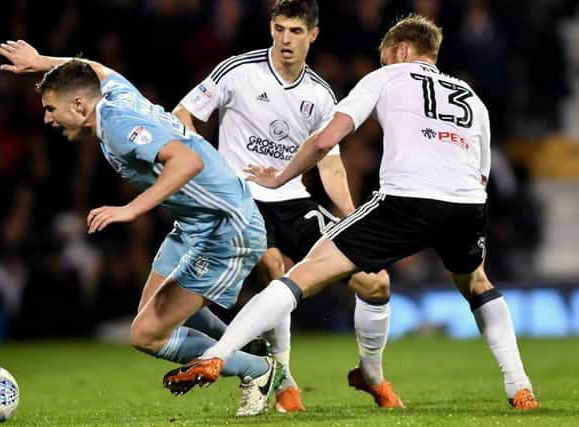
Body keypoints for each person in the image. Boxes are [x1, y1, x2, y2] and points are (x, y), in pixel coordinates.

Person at [164, 14, 540, 410]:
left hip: (404, 200)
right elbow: (481, 179)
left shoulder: (386, 77)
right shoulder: (471, 97)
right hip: (467, 204)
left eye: (384, 57)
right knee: (477, 284)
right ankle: (519, 385)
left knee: (301, 276)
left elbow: (325, 141)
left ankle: (217, 355)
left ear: (402, 50)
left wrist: (280, 177)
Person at [0, 40, 284, 416]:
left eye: (51, 109)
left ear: (79, 106)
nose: (47, 119)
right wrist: (40, 62)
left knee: (146, 334)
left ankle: (257, 369)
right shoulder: (112, 94)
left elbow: (187, 161)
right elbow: (96, 67)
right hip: (196, 223)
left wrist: (131, 209)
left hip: (226, 227)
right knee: (155, 311)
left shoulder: (117, 125)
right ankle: (244, 345)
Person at [172, 0, 400, 412]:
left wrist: (351, 219)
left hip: (295, 201)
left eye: (295, 31)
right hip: (243, 200)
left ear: (313, 34)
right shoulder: (238, 71)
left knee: (375, 281)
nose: (285, 40)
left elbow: (329, 162)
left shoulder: (319, 93)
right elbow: (182, 114)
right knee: (274, 267)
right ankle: (285, 384)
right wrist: (212, 171)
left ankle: (371, 375)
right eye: (279, 29)